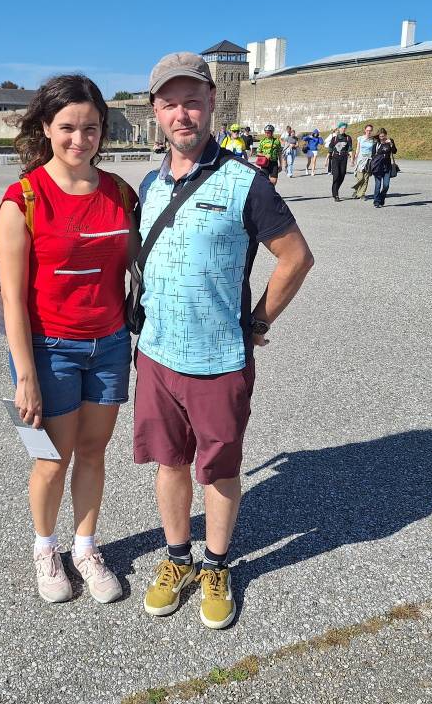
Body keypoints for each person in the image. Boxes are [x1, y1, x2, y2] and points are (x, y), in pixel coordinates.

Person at [135, 52, 315, 630]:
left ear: (212, 103)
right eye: (170, 104)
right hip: (157, 355)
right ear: (155, 112)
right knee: (169, 464)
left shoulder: (245, 183)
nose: (181, 114)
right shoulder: (148, 184)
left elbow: (296, 258)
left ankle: (216, 563)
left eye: (192, 101)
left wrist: (258, 322)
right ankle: (176, 557)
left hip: (218, 359)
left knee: (218, 469)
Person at [0, 74, 136, 606]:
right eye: (68, 128)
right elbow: (11, 298)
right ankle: (45, 548)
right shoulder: (23, 199)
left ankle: (85, 547)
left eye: (91, 128)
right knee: (50, 458)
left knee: (94, 452)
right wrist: (24, 374)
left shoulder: (119, 193)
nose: (80, 140)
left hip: (109, 344)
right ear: (46, 129)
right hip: (49, 349)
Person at [370, 128, 397, 207]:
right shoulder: (376, 144)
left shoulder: (390, 141)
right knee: (378, 185)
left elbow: (394, 151)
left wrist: (391, 144)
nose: (382, 138)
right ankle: (376, 201)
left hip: (387, 166)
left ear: (386, 135)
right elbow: (372, 155)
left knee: (386, 185)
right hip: (378, 167)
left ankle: (381, 198)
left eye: (383, 136)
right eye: (380, 136)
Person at [326, 122, 353, 201]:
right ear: (339, 128)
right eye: (342, 128)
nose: (343, 129)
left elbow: (350, 149)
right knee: (336, 175)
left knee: (342, 175)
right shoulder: (334, 138)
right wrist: (327, 159)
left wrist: (352, 159)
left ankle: (336, 189)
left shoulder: (348, 138)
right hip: (335, 158)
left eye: (345, 128)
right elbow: (330, 149)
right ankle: (336, 194)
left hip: (344, 158)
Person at [350, 124, 377, 200]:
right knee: (360, 177)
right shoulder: (360, 138)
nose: (368, 132)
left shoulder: (373, 140)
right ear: (365, 130)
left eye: (370, 130)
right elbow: (357, 150)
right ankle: (356, 190)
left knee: (366, 178)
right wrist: (353, 160)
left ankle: (362, 194)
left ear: (371, 131)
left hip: (369, 160)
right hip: (361, 160)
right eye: (367, 130)